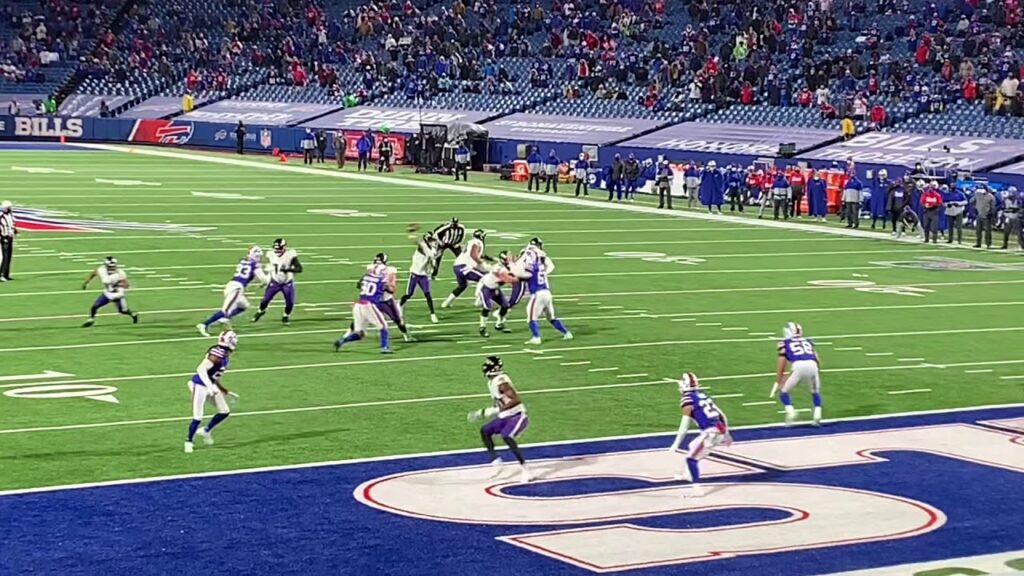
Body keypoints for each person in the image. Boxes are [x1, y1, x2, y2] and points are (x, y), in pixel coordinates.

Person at [467, 356, 533, 483]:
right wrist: (484, 412)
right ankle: (496, 462)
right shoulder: (492, 382)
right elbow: (499, 402)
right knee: (485, 431)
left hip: (517, 415)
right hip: (505, 416)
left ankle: (526, 469)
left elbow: (516, 400)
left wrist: (495, 411)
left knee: (507, 437)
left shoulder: (501, 382)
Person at [668, 372, 732, 498]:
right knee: (693, 446)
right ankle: (686, 474)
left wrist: (675, 444)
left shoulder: (688, 399)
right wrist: (726, 433)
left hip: (710, 433)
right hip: (718, 429)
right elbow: (721, 415)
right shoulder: (701, 395)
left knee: (691, 459)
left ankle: (697, 489)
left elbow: (684, 426)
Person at [185, 330, 238, 453]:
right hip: (199, 385)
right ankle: (188, 441)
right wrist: (209, 386)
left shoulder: (224, 354)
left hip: (211, 385)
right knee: (197, 416)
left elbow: (214, 375)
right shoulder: (217, 353)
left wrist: (224, 390)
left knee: (224, 411)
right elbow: (201, 369)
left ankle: (206, 430)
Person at [196, 246, 267, 336]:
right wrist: (264, 283)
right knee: (225, 310)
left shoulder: (243, 260)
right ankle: (204, 324)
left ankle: (224, 318)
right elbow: (264, 279)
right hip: (236, 288)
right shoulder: (255, 264)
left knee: (244, 305)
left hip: (234, 285)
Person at [333, 255, 393, 354]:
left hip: (358, 304)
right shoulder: (381, 279)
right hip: (369, 305)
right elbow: (389, 290)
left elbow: (359, 285)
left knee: (360, 334)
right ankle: (384, 348)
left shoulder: (366, 276)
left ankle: (342, 341)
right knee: (383, 327)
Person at [517, 238, 572, 345]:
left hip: (537, 294)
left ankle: (536, 337)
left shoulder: (529, 257)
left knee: (531, 317)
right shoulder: (540, 259)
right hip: (546, 292)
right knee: (551, 317)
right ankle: (566, 333)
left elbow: (523, 270)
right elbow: (548, 266)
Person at [772, 322, 822, 426]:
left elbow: (782, 363)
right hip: (812, 364)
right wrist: (817, 370)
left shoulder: (784, 343)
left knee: (783, 392)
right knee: (815, 392)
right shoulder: (807, 341)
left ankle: (790, 412)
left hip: (798, 366)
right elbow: (816, 358)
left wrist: (779, 380)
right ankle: (817, 414)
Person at [252, 238, 302, 325]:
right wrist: (265, 279)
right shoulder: (270, 254)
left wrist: (288, 270)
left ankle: (285, 316)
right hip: (275, 281)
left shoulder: (290, 255)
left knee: (290, 302)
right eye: (276, 249)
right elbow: (268, 267)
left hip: (287, 282)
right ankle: (260, 311)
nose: (277, 251)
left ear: (284, 247)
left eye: (279, 249)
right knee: (265, 300)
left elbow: (299, 269)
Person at [81, 256, 139, 327]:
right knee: (95, 306)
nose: (111, 268)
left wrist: (122, 286)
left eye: (113, 266)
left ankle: (133, 315)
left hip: (118, 294)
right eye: (109, 267)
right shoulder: (102, 270)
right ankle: (91, 319)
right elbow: (94, 273)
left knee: (123, 311)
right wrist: (87, 282)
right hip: (108, 293)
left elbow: (126, 284)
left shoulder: (120, 273)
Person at [441, 229, 489, 308]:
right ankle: (480, 301)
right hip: (464, 267)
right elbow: (474, 255)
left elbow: (475, 254)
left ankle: (446, 303)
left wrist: (491, 259)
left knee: (462, 286)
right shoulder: (478, 242)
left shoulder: (470, 242)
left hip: (457, 266)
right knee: (486, 279)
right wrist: (483, 265)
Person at [400, 232, 440, 323]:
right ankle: (400, 307)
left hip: (423, 275)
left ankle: (432, 313)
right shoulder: (422, 247)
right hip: (414, 273)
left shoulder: (431, 249)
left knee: (427, 294)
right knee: (409, 294)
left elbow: (433, 258)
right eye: (430, 240)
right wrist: (413, 235)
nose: (433, 242)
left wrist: (433, 267)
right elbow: (420, 245)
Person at [0, 200, 16, 281]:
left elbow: (12, 224)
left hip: (10, 237)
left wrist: (14, 231)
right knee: (4, 257)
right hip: (4, 238)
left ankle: (6, 274)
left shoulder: (10, 214)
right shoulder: (1, 215)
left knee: (9, 256)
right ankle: (2, 274)